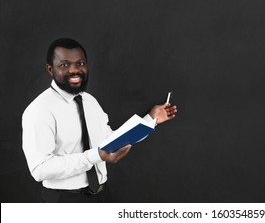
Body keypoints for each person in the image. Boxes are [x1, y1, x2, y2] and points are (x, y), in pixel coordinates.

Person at [22, 38, 177, 202]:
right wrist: (95, 156)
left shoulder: (90, 101)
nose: (75, 70)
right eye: (64, 65)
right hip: (65, 201)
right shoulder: (40, 110)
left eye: (80, 63)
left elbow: (110, 141)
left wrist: (151, 119)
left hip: (102, 195)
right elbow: (40, 169)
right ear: (50, 69)